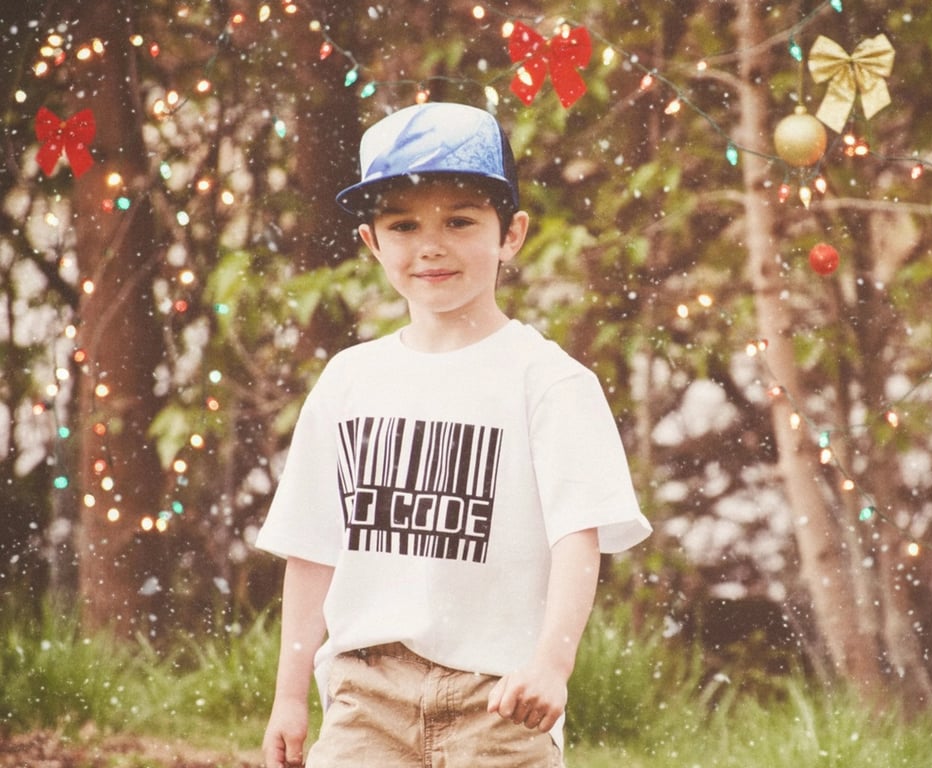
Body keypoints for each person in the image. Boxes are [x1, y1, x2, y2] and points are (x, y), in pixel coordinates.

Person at [257, 101, 651, 768]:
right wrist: (290, 697)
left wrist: (553, 664)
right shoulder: (351, 380)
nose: (431, 244)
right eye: (403, 224)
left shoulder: (549, 381)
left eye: (460, 220)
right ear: (372, 243)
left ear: (512, 234)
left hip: (500, 700)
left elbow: (577, 539)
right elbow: (311, 548)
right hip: (366, 693)